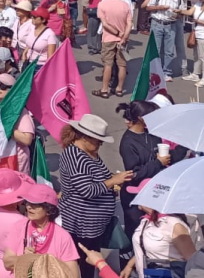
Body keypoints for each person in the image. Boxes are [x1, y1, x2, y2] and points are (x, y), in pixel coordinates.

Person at [58, 114, 133, 278]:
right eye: (98, 140)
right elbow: (87, 190)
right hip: (82, 224)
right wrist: (113, 181)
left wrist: (112, 183)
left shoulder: (90, 152)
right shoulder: (74, 156)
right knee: (84, 264)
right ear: (85, 137)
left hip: (94, 225)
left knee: (92, 261)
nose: (100, 144)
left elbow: (99, 179)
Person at [116, 100, 179, 237]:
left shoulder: (152, 134)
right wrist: (158, 162)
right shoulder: (128, 143)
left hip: (155, 191)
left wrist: (181, 147)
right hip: (135, 196)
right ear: (141, 119)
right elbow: (135, 174)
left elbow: (166, 158)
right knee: (137, 233)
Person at [118, 180, 194, 278]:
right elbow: (146, 248)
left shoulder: (174, 224)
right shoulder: (145, 221)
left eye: (139, 195)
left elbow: (192, 260)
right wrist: (129, 265)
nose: (136, 199)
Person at [2, 183, 80, 278]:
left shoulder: (63, 236)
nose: (29, 207)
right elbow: (7, 262)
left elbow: (73, 274)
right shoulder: (19, 227)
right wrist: (24, 259)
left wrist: (42, 262)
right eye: (27, 202)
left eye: (35, 204)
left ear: (48, 210)